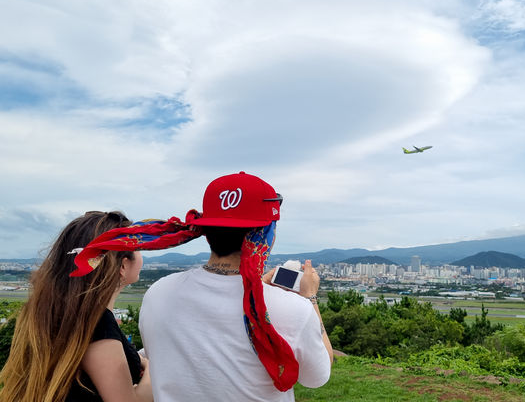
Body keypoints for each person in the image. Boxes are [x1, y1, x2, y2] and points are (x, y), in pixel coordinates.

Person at [139, 171, 333, 401]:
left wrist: (259, 285)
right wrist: (309, 298)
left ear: (207, 234)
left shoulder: (159, 294)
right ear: (265, 236)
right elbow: (318, 376)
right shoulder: (292, 309)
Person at [0, 211, 153, 402]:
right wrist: (152, 374)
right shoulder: (99, 324)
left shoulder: (57, 312)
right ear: (122, 266)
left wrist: (141, 362)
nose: (142, 254)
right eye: (139, 248)